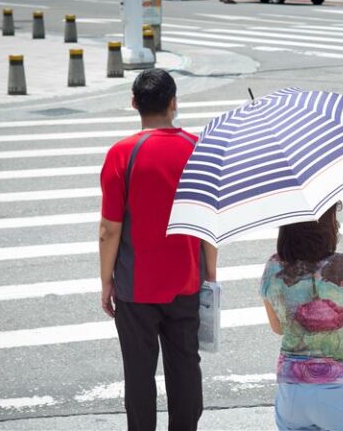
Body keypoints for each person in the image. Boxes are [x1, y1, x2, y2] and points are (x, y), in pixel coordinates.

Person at [99, 68, 218, 431]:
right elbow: (209, 222)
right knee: (185, 366)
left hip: (136, 288)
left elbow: (109, 229)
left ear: (134, 103)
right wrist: (209, 276)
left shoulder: (122, 154)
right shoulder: (198, 149)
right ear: (173, 103)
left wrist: (106, 281)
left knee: (138, 373)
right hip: (186, 281)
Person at [260, 202, 343, 431]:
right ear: (327, 224)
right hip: (342, 395)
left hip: (292, 393)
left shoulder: (273, 267)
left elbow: (278, 327)